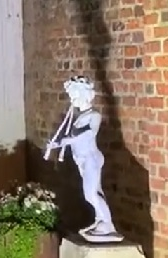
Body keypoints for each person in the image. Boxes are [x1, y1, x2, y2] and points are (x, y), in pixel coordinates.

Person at [46, 76, 121, 242]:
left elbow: (90, 133)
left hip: (91, 159)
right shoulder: (79, 117)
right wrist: (57, 143)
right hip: (81, 160)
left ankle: (108, 224)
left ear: (85, 95)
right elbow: (71, 137)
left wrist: (69, 140)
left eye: (75, 96)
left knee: (91, 194)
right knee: (95, 191)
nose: (73, 100)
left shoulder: (94, 115)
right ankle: (99, 220)